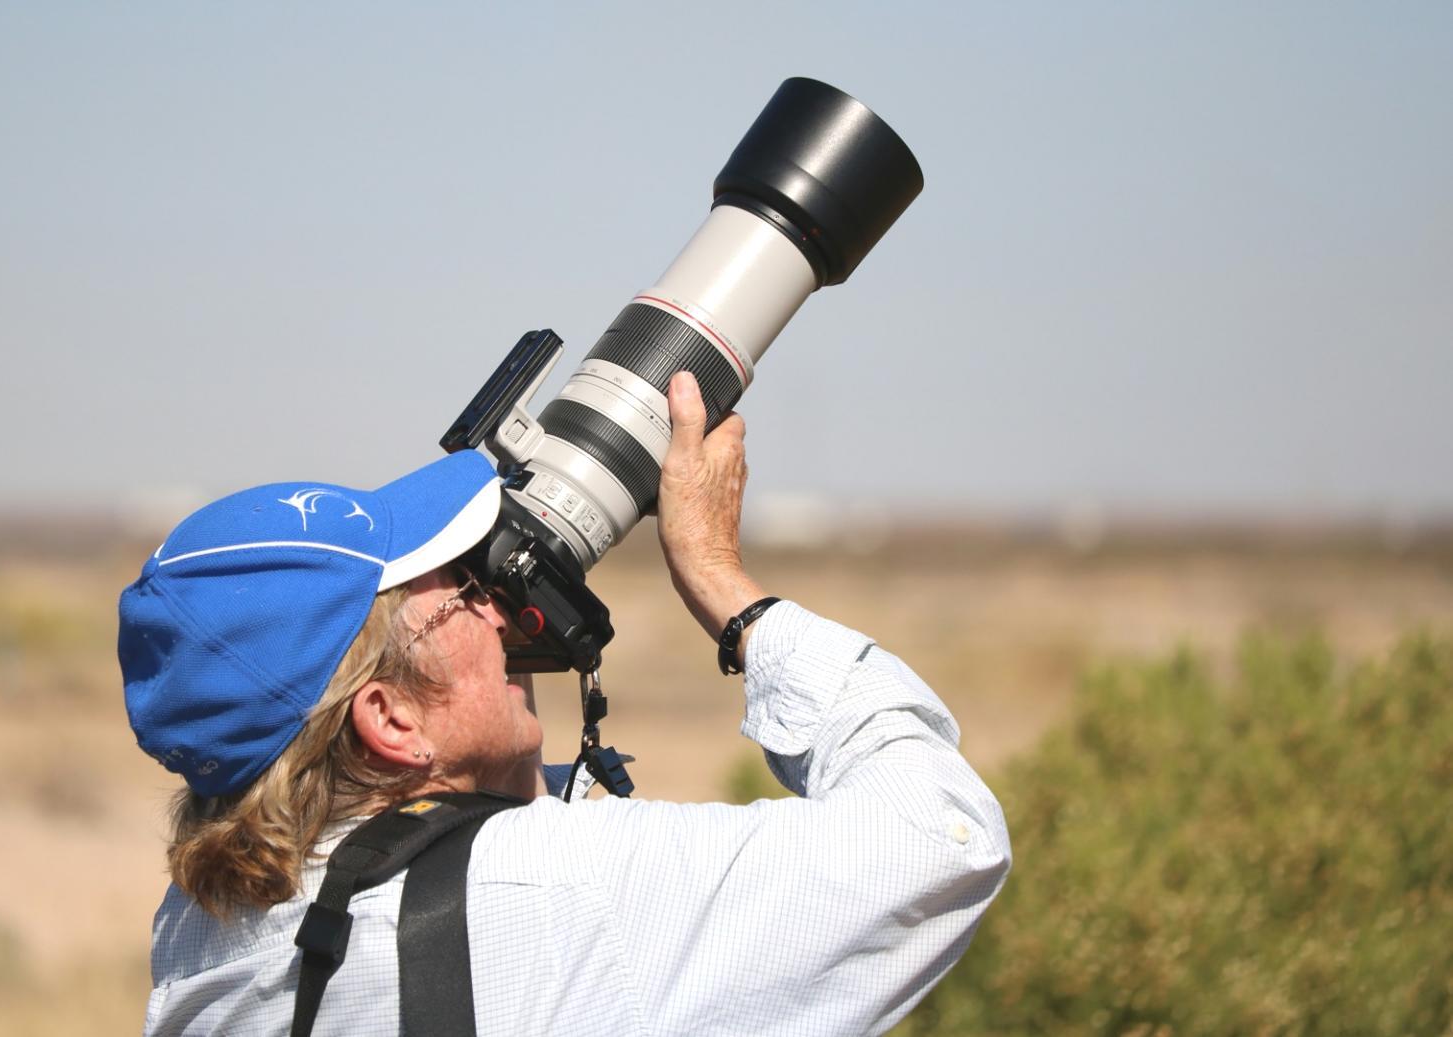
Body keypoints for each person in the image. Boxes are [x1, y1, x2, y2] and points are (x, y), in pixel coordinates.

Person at [121, 372, 1011, 1036]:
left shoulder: (207, 921)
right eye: (464, 593)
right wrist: (729, 592)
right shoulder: (551, 890)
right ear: (390, 720)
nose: (500, 608)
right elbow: (942, 839)